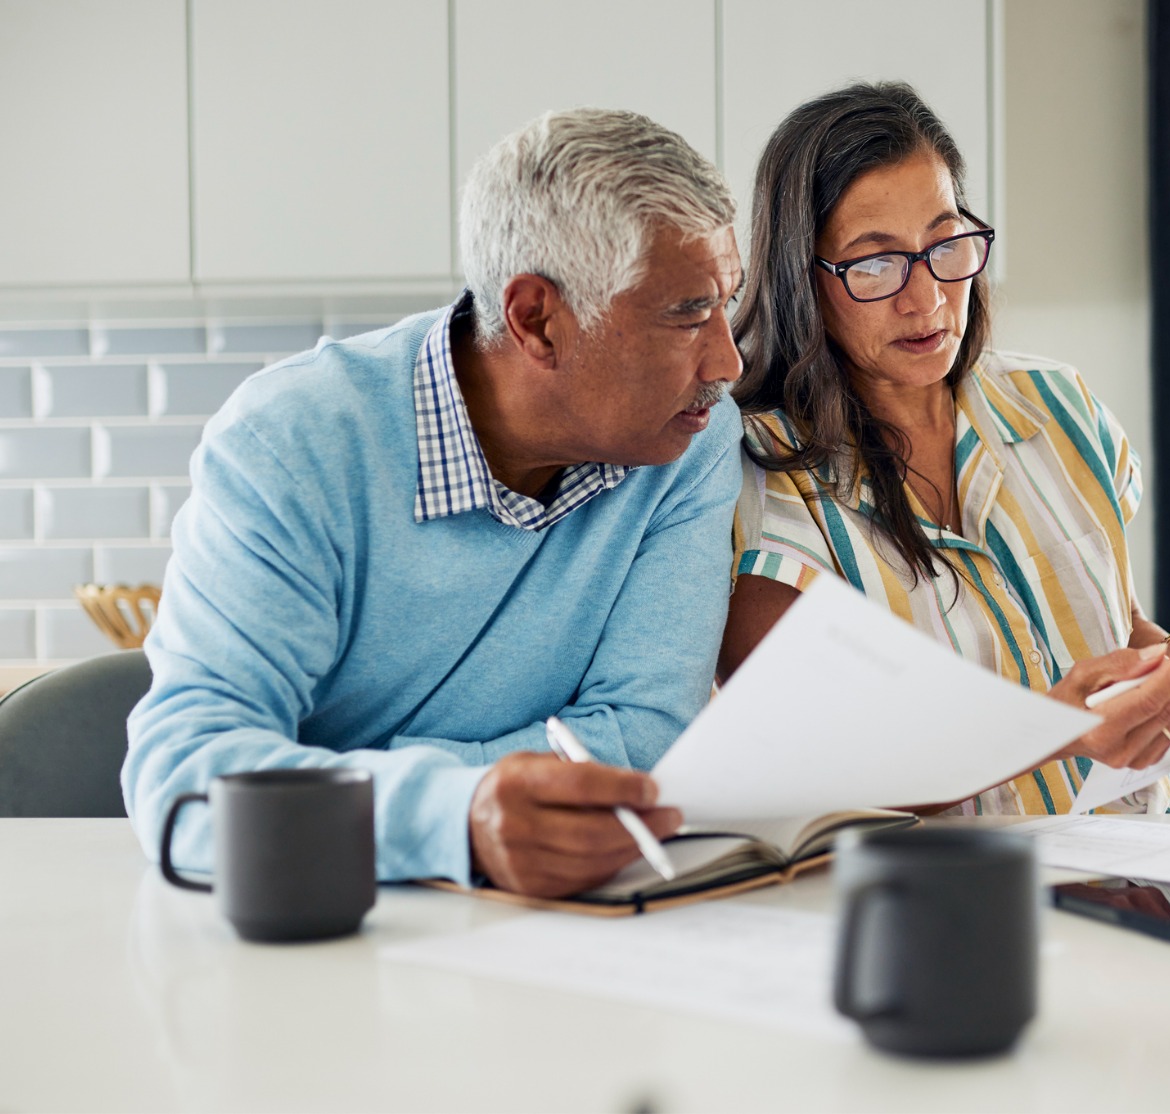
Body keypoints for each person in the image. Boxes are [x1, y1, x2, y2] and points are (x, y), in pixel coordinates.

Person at [125, 108, 745, 899]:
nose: (725, 360)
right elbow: (187, 775)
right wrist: (455, 817)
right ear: (537, 321)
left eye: (727, 302)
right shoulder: (291, 443)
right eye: (688, 313)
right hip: (320, 922)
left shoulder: (689, 439)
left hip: (553, 928)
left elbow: (643, 742)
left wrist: (359, 793)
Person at [719, 82, 1170, 815]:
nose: (927, 299)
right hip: (956, 901)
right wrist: (1055, 731)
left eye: (945, 245)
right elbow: (820, 769)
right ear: (802, 278)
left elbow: (1111, 625)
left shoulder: (1058, 405)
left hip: (1154, 857)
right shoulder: (754, 485)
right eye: (875, 265)